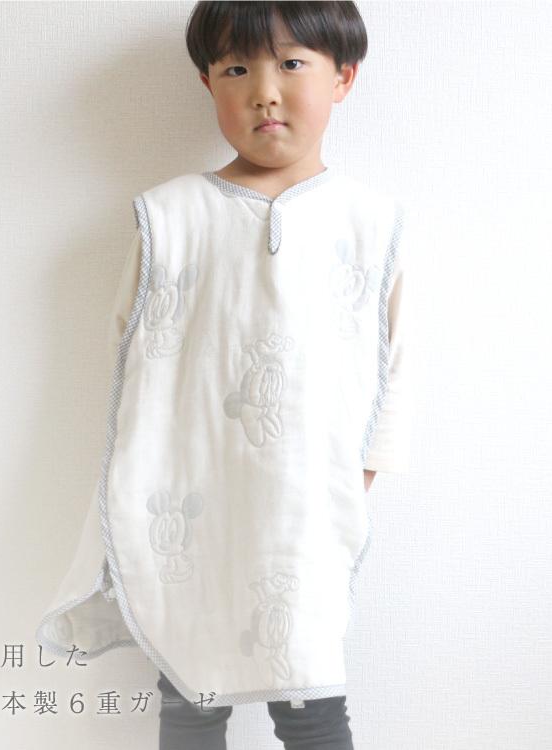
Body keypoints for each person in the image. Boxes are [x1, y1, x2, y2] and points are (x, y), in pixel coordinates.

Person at [36, 2, 414, 748]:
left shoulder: (371, 224)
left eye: (292, 64)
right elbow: (130, 365)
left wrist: (353, 477)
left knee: (311, 701)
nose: (264, 92)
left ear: (343, 77)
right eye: (237, 68)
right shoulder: (170, 217)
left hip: (304, 511)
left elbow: (397, 362)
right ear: (208, 83)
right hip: (190, 507)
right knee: (190, 697)